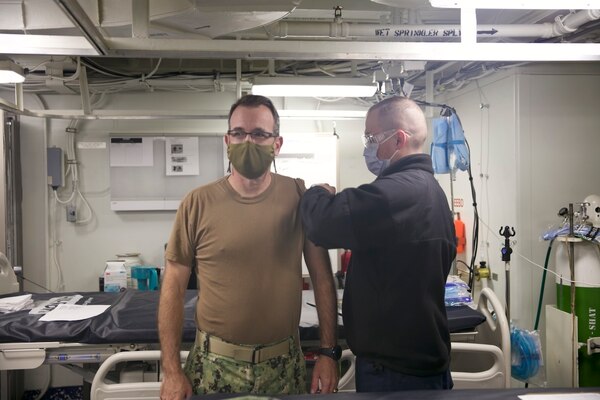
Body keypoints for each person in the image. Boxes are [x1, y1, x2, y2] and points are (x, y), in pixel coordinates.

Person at [158, 94, 339, 400]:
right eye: (239, 133)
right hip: (214, 365)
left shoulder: (299, 197)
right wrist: (172, 371)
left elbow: (322, 277)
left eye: (259, 134)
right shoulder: (197, 203)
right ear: (227, 141)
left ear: (276, 144)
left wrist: (328, 352)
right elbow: (172, 288)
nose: (248, 142)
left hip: (283, 365)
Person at [300, 96, 456, 392]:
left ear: (398, 139)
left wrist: (316, 193)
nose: (367, 148)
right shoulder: (430, 191)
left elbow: (323, 223)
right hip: (418, 365)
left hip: (396, 374)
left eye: (371, 138)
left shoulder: (396, 195)